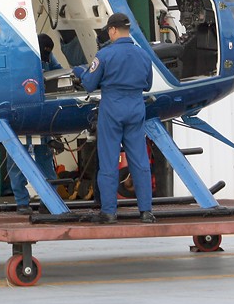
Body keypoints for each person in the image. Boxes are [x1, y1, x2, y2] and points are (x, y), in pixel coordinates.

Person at [74, 13, 156, 224]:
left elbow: (89, 85)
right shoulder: (143, 55)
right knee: (139, 160)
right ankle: (146, 212)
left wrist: (79, 72)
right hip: (136, 108)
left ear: (112, 30)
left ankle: (109, 212)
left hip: (112, 108)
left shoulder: (105, 55)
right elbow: (148, 85)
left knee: (109, 160)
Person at [8, 34, 65, 214]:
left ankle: (50, 199)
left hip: (42, 115)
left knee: (45, 158)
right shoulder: (16, 55)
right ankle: (22, 202)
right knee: (17, 160)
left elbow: (59, 70)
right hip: (19, 115)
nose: (45, 60)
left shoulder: (47, 54)